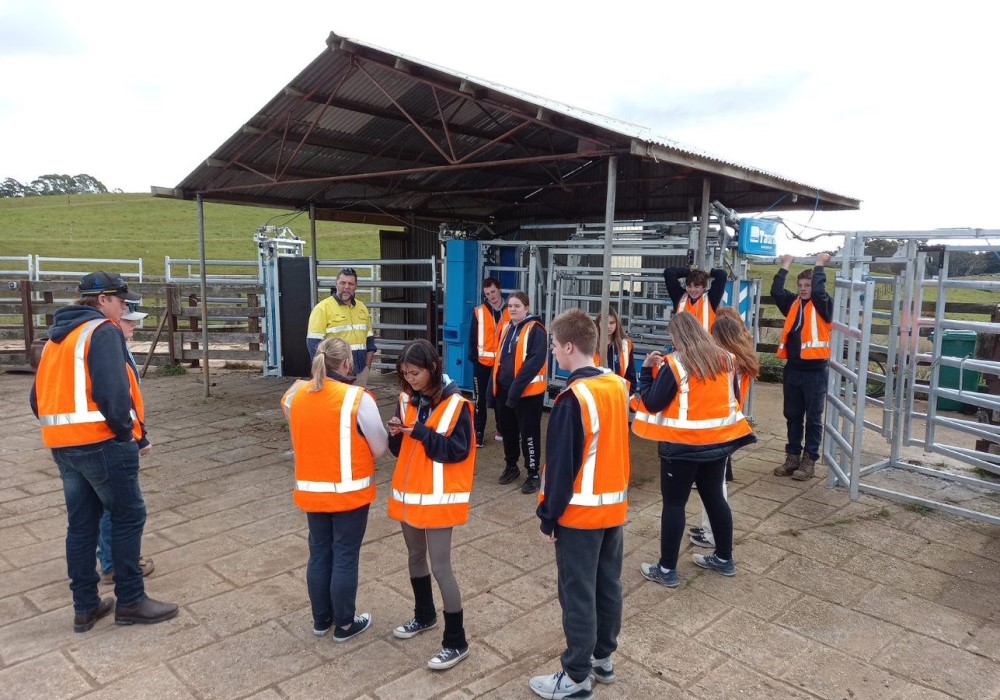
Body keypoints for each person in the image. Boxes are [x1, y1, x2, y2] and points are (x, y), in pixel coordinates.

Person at [30, 271, 178, 632]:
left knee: (81, 525)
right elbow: (114, 394)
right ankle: (131, 600)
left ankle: (85, 606)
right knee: (128, 517)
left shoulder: (55, 340)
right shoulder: (103, 331)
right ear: (102, 301)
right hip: (102, 443)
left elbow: (36, 399)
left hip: (63, 447)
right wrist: (127, 434)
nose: (125, 307)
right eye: (121, 301)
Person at [530, 309, 630, 700]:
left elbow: (560, 467)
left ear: (569, 346)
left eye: (555, 345)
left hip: (579, 515)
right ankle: (603, 659)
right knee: (608, 586)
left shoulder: (572, 399)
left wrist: (547, 518)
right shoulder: (616, 385)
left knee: (577, 594)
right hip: (613, 508)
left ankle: (575, 676)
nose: (553, 352)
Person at [632, 312, 755, 587]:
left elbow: (652, 403)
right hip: (718, 444)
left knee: (674, 504)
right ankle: (724, 558)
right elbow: (732, 398)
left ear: (678, 336)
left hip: (681, 447)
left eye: (672, 336)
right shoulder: (727, 359)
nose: (671, 341)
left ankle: (666, 569)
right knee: (714, 499)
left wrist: (645, 371)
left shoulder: (675, 364)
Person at [286, 337, 388, 642]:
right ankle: (344, 625)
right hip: (349, 493)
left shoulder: (294, 396)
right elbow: (380, 447)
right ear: (346, 364)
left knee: (319, 553)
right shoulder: (358, 398)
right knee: (345, 555)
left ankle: (321, 620)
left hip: (311, 491)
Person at [387, 339, 475, 671]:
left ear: (433, 369)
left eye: (415, 373)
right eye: (405, 373)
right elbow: (400, 451)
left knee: (441, 567)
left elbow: (457, 452)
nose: (410, 379)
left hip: (438, 499)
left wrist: (420, 432)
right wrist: (397, 433)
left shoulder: (457, 405)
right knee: (414, 556)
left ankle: (457, 642)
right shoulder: (406, 398)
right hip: (410, 495)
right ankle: (424, 616)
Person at [689, 313, 761, 549]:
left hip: (721, 428)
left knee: (715, 486)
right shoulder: (740, 359)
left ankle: (712, 534)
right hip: (728, 426)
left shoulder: (730, 363)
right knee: (715, 484)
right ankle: (708, 527)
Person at [97, 303, 154, 584]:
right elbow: (119, 400)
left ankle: (111, 559)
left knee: (104, 506)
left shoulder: (117, 347)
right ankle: (115, 565)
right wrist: (133, 436)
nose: (134, 327)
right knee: (119, 507)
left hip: (106, 436)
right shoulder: (108, 349)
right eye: (129, 322)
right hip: (111, 439)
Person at [771, 252, 833, 480]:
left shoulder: (823, 304)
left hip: (816, 372)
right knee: (792, 415)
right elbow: (776, 291)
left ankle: (810, 461)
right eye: (801, 285)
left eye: (807, 284)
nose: (804, 289)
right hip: (794, 369)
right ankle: (792, 457)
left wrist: (819, 265)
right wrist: (786, 265)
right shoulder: (793, 304)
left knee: (814, 418)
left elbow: (818, 291)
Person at [492, 291, 548, 494]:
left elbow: (534, 363)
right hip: (504, 392)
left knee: (529, 434)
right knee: (508, 431)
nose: (513, 309)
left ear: (527, 308)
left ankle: (533, 473)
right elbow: (499, 359)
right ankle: (511, 466)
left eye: (517, 306)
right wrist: (494, 390)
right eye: (510, 306)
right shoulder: (507, 327)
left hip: (527, 395)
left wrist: (514, 391)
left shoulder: (536, 330)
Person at [307, 267, 376, 386]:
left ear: (356, 286)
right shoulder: (322, 308)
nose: (346, 287)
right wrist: (325, 373)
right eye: (342, 283)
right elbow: (313, 344)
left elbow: (370, 341)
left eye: (351, 284)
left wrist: (366, 369)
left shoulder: (362, 308)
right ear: (336, 283)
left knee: (357, 404)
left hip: (359, 373)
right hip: (334, 375)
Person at [468, 277, 510, 448]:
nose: (491, 296)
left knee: (502, 399)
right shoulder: (479, 311)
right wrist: (475, 359)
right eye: (487, 294)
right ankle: (478, 432)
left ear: (499, 290)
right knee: (480, 400)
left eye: (493, 292)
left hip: (502, 365)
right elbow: (472, 337)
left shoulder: (510, 310)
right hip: (482, 364)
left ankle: (502, 429)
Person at [663, 266, 728, 331]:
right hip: (681, 340)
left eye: (696, 286)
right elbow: (668, 273)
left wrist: (707, 273)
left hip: (703, 340)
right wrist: (690, 272)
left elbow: (722, 275)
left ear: (704, 287)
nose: (692, 290)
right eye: (689, 286)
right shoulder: (679, 296)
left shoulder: (711, 299)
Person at [593, 306, 636, 391]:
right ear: (598, 323)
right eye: (605, 322)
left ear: (617, 323)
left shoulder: (626, 345)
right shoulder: (590, 344)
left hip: (619, 395)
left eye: (612, 323)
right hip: (597, 395)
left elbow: (631, 377)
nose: (608, 326)